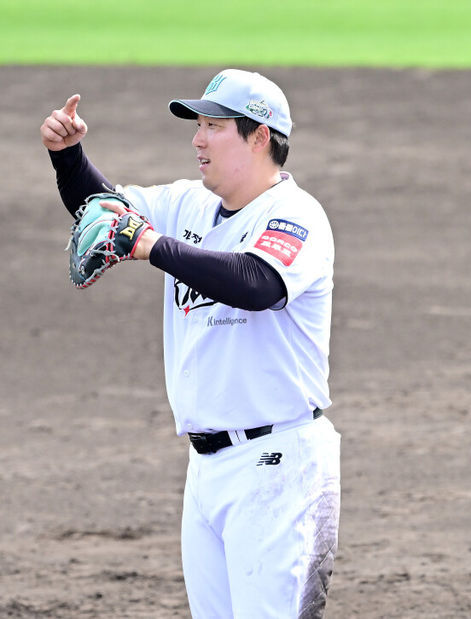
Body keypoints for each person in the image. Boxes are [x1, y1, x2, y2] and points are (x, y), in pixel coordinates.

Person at [40, 69, 340, 618]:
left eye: (213, 126)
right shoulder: (188, 206)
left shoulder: (297, 216)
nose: (197, 140)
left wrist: (151, 245)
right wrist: (69, 156)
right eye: (197, 125)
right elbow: (104, 208)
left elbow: (258, 283)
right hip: (205, 471)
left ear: (259, 136)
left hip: (277, 466)